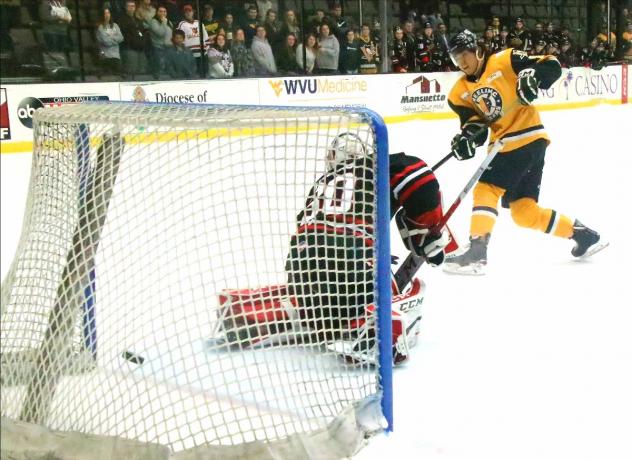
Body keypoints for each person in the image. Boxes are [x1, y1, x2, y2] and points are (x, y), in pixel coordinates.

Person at [442, 30, 606, 275]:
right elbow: (475, 126)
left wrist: (533, 77)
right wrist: (466, 140)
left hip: (522, 137)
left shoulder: (505, 59)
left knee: (486, 189)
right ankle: (582, 234)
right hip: (519, 144)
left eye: (464, 54)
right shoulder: (458, 93)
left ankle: (477, 251)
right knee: (524, 212)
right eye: (456, 59)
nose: (462, 62)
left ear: (476, 49)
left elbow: (551, 64)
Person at [285, 133, 450, 363]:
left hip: (300, 267)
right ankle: (374, 327)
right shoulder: (374, 169)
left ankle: (314, 314)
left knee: (328, 287)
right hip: (352, 262)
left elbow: (307, 226)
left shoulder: (322, 183)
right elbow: (417, 173)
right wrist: (428, 232)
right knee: (395, 289)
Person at [118, 0, 149, 78]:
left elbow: (142, 32)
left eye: (133, 6)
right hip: (129, 49)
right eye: (129, 6)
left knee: (141, 73)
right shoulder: (121, 20)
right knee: (131, 73)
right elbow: (124, 34)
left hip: (141, 49)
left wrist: (143, 42)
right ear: (125, 8)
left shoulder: (138, 19)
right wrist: (132, 42)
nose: (131, 8)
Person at [178, 4, 208, 74]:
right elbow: (179, 40)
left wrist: (206, 52)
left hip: (202, 55)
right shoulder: (182, 24)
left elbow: (206, 38)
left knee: (204, 74)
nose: (188, 13)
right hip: (190, 56)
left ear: (193, 12)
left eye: (190, 11)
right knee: (192, 75)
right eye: (186, 11)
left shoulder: (199, 23)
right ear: (184, 14)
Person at [96, 7, 124, 76]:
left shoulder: (115, 25)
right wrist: (115, 39)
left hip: (116, 56)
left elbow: (121, 38)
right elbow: (106, 42)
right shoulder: (100, 27)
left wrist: (110, 37)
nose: (107, 15)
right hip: (106, 57)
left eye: (108, 13)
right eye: (105, 13)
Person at [147, 5, 173, 79]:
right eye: (160, 11)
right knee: (159, 68)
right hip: (158, 48)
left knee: (168, 68)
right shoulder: (153, 21)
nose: (162, 13)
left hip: (168, 48)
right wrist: (163, 22)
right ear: (156, 12)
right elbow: (160, 33)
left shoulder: (169, 22)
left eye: (164, 11)